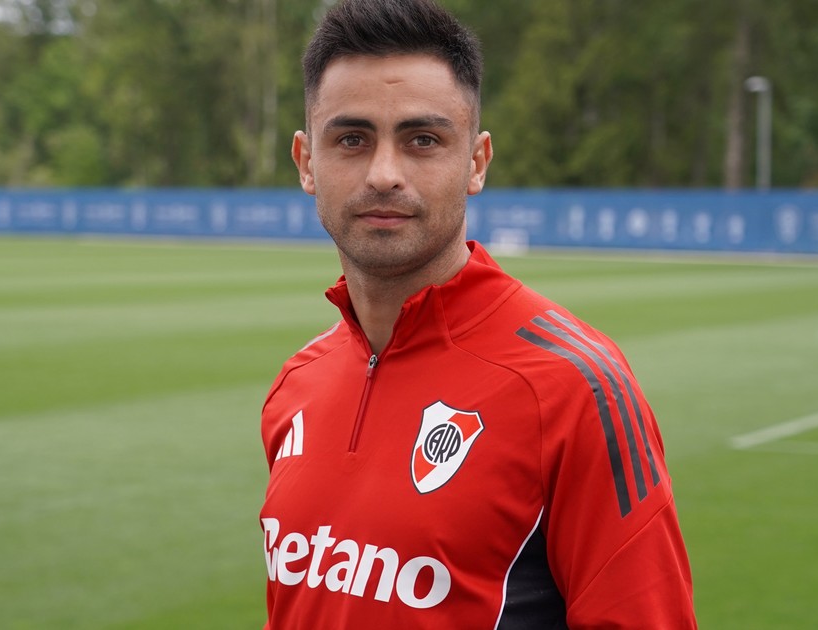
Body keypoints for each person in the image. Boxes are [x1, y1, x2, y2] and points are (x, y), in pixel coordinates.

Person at [259, 0, 696, 627]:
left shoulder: (574, 389)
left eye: (423, 140)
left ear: (476, 162)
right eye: (352, 139)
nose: (384, 174)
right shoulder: (297, 384)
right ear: (307, 162)